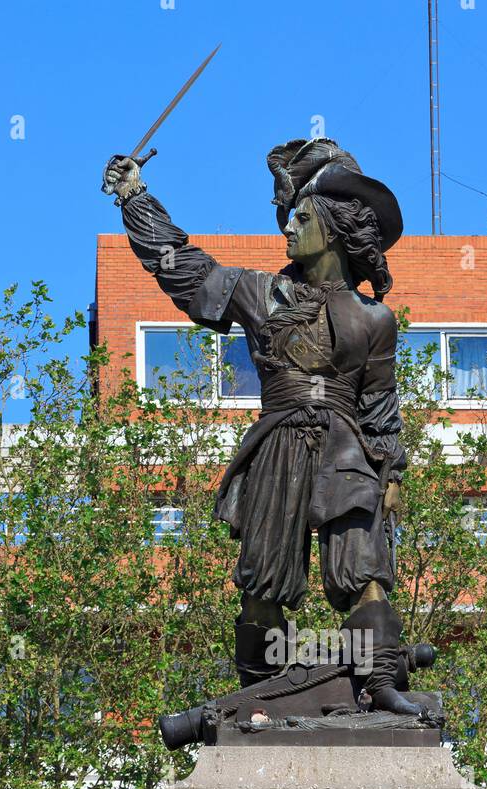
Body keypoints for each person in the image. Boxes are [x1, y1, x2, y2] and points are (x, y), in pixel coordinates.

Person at [102, 137, 422, 715]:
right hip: (277, 444)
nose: (288, 229)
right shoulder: (259, 293)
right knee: (263, 581)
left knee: (365, 568)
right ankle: (259, 694)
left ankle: (381, 685)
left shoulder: (376, 319)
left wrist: (392, 471)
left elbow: (380, 401)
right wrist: (135, 199)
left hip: (349, 451)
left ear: (333, 228)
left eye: (302, 217)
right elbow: (187, 273)